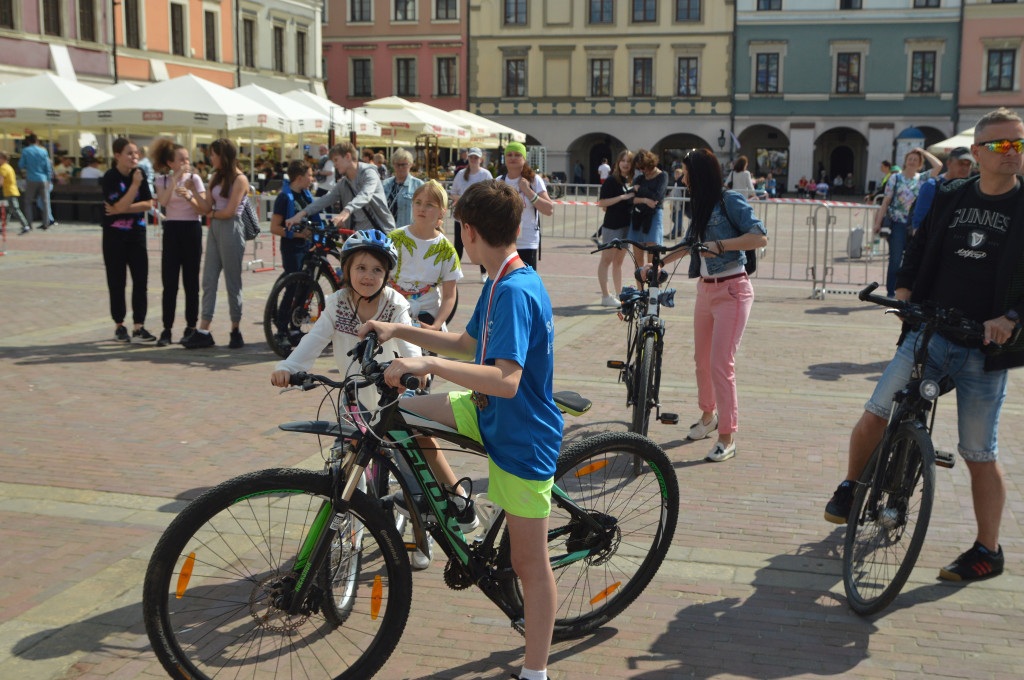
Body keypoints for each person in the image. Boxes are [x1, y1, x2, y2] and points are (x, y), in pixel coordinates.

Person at [357, 180, 562, 680]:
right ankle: (456, 507)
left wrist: (427, 362)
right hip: (484, 408)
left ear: (467, 232)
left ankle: (536, 671)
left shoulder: (514, 290)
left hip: (521, 434)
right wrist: (398, 330)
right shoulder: (498, 277)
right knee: (400, 413)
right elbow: (469, 343)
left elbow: (508, 381)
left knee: (528, 565)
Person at [824, 107, 1024, 582]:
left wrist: (1011, 317)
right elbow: (919, 244)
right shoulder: (951, 194)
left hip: (985, 346)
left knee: (980, 452)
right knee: (876, 412)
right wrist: (906, 289)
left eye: (1019, 143)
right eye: (1000, 145)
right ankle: (852, 487)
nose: (1012, 152)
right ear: (976, 153)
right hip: (930, 331)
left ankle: (986, 552)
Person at [271, 230, 473, 571]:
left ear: (387, 275)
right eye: (361, 267)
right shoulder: (337, 304)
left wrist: (417, 374)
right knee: (349, 465)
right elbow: (313, 341)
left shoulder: (394, 304)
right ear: (346, 269)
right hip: (353, 396)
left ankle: (422, 531)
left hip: (395, 393)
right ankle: (353, 525)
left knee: (413, 464)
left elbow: (410, 346)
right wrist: (288, 368)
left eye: (377, 270)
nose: (368, 276)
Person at [652, 148, 767, 462]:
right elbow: (692, 245)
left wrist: (721, 245)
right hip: (706, 291)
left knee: (720, 365)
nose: (682, 177)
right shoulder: (700, 204)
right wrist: (661, 262)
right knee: (702, 361)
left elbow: (759, 236)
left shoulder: (730, 200)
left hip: (733, 290)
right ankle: (708, 416)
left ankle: (727, 436)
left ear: (699, 174)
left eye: (686, 172)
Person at [186, 138, 250, 349]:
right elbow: (205, 207)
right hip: (215, 228)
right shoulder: (215, 177)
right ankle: (204, 328)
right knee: (209, 279)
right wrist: (192, 193)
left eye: (213, 154)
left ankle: (235, 328)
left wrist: (211, 213)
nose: (210, 158)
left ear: (223, 156)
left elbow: (229, 211)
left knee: (232, 282)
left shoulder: (240, 179)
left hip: (232, 227)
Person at [101, 137, 156, 343]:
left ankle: (139, 326)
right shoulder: (110, 177)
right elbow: (117, 202)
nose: (135, 157)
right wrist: (134, 187)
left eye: (136, 153)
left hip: (137, 235)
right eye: (130, 153)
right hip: (114, 237)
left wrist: (122, 208)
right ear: (117, 156)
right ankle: (119, 324)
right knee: (117, 281)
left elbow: (148, 204)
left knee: (140, 280)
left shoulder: (140, 174)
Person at [152, 138, 205, 347]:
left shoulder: (195, 179)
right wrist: (175, 180)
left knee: (191, 281)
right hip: (172, 228)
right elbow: (163, 203)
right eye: (181, 159)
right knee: (170, 282)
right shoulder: (162, 180)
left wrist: (189, 197)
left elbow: (202, 208)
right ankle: (166, 328)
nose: (185, 163)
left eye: (187, 158)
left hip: (191, 228)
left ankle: (191, 326)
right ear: (170, 162)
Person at [389, 180, 463, 329]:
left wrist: (436, 326)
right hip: (392, 310)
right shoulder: (394, 238)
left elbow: (449, 295)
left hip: (428, 314)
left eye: (429, 204)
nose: (421, 208)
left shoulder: (446, 249)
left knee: (423, 353)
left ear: (442, 211)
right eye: (418, 202)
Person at [873, 146, 942, 297]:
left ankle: (910, 291)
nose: (912, 162)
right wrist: (878, 222)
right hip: (897, 223)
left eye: (915, 160)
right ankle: (891, 292)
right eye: (909, 159)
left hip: (915, 226)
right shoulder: (895, 178)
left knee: (914, 259)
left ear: (920, 164)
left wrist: (923, 152)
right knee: (895, 260)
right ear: (905, 162)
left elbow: (939, 166)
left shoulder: (923, 178)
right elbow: (885, 201)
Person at [267, 159, 321, 351]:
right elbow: (275, 227)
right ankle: (281, 330)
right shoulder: (284, 197)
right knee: (291, 287)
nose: (312, 178)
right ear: (300, 177)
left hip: (308, 247)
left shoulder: (306, 195)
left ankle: (295, 327)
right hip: (292, 248)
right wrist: (298, 234)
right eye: (310, 175)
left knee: (305, 288)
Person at [286, 141, 395, 234]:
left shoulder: (369, 173)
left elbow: (365, 195)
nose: (334, 165)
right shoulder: (344, 183)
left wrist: (346, 211)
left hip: (380, 233)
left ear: (348, 156)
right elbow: (326, 199)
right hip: (358, 236)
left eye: (336, 160)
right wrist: (301, 214)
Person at [499, 141, 552, 271]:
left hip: (527, 241)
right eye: (509, 154)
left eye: (517, 155)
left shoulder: (534, 180)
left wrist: (528, 191)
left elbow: (549, 209)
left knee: (526, 282)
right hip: (504, 241)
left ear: (524, 158)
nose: (512, 158)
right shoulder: (499, 181)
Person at [595, 150, 634, 307]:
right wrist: (622, 198)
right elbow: (602, 203)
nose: (625, 164)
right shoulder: (612, 180)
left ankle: (619, 295)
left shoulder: (630, 181)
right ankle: (606, 295)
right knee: (606, 260)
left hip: (626, 226)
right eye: (622, 160)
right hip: (612, 226)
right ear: (618, 162)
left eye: (628, 161)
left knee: (618, 262)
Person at [911, 146, 974, 234]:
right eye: (961, 163)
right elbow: (919, 224)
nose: (965, 168)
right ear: (949, 163)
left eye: (968, 164)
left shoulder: (970, 188)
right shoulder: (932, 186)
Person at [451, 147, 492, 281]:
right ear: (468, 159)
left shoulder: (485, 175)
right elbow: (453, 193)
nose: (473, 160)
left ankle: (484, 272)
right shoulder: (461, 174)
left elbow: (492, 193)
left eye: (476, 158)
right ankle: (455, 272)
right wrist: (464, 199)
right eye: (471, 157)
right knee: (459, 244)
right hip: (462, 216)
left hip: (479, 216)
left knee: (480, 243)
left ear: (480, 159)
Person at [628, 149, 668, 266]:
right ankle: (640, 284)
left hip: (653, 216)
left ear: (650, 164)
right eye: (639, 168)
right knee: (638, 260)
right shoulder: (640, 178)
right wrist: (645, 200)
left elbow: (658, 196)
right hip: (638, 216)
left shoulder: (662, 176)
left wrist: (639, 190)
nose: (641, 171)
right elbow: (630, 197)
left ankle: (653, 284)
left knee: (652, 260)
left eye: (643, 167)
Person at [19, 133, 56, 230]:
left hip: (31, 178)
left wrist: (29, 166)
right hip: (43, 178)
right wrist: (48, 179)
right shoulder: (43, 151)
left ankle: (29, 223)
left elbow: (21, 165)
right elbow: (47, 167)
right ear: (37, 141)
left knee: (28, 202)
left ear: (28, 142)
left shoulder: (25, 151)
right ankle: (46, 223)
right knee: (45, 202)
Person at [382, 147, 424, 228]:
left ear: (410, 164)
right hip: (387, 230)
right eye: (398, 164)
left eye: (404, 165)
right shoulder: (385, 184)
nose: (400, 167)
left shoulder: (418, 185)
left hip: (409, 231)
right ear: (393, 165)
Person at [0, 151, 32, 234]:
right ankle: (3, 226)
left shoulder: (3, 168)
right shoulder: (9, 167)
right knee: (8, 210)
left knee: (15, 209)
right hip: (10, 191)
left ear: (2, 159)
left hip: (9, 191)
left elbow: (0, 181)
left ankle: (25, 225)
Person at [668, 166, 686, 239]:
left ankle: (673, 233)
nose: (677, 175)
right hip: (675, 203)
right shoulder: (675, 182)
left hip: (681, 203)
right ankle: (680, 229)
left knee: (678, 217)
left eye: (679, 174)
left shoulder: (681, 182)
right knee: (672, 216)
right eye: (676, 174)